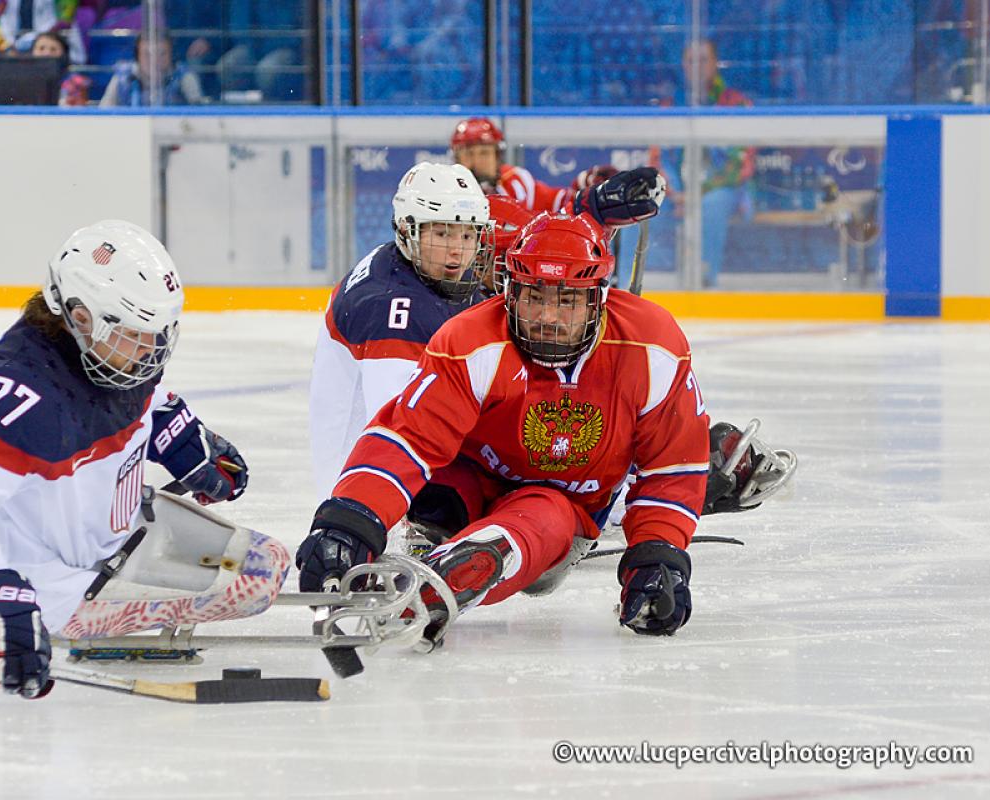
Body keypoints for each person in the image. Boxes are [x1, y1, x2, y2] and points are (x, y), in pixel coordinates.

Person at [296, 197, 715, 640]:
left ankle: (461, 571)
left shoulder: (653, 348)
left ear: (600, 298)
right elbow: (407, 438)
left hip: (562, 504)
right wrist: (349, 519)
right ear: (510, 291)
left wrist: (658, 555)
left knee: (543, 515)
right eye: (534, 297)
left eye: (568, 300)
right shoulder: (470, 339)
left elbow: (673, 467)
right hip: (468, 481)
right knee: (435, 496)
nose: (548, 317)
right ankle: (443, 542)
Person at [0, 220, 290, 698]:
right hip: (63, 585)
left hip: (119, 534)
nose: (151, 351)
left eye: (159, 333)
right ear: (80, 315)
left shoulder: (113, 355)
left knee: (269, 561)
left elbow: (145, 395)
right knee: (253, 582)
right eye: (136, 334)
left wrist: (181, 437)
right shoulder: (21, 394)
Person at [309, 162, 490, 501]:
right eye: (442, 233)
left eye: (468, 234)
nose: (457, 249)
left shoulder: (417, 269)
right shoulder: (392, 305)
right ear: (408, 230)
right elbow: (400, 429)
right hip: (367, 491)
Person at [653, 40, 754, 288]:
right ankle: (635, 285)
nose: (696, 66)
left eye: (703, 60)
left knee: (711, 205)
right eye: (690, 60)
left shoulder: (737, 103)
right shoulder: (669, 106)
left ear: (715, 63)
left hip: (723, 191)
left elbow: (738, 165)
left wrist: (695, 196)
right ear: (683, 65)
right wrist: (675, 193)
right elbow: (658, 159)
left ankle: (705, 280)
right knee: (640, 211)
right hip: (676, 194)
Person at [451, 117, 620, 215]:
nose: (477, 161)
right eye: (468, 153)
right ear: (457, 157)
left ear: (497, 156)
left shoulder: (516, 180)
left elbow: (559, 203)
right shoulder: (445, 189)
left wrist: (586, 189)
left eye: (484, 153)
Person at [99, 31, 204, 107]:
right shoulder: (122, 78)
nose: (155, 61)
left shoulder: (184, 76)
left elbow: (200, 114)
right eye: (147, 54)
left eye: (162, 54)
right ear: (137, 56)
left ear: (171, 55)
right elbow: (104, 113)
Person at [30, 29, 89, 106]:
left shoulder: (76, 83)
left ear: (64, 54)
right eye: (41, 48)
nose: (47, 53)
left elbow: (80, 112)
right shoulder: (21, 79)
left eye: (53, 49)